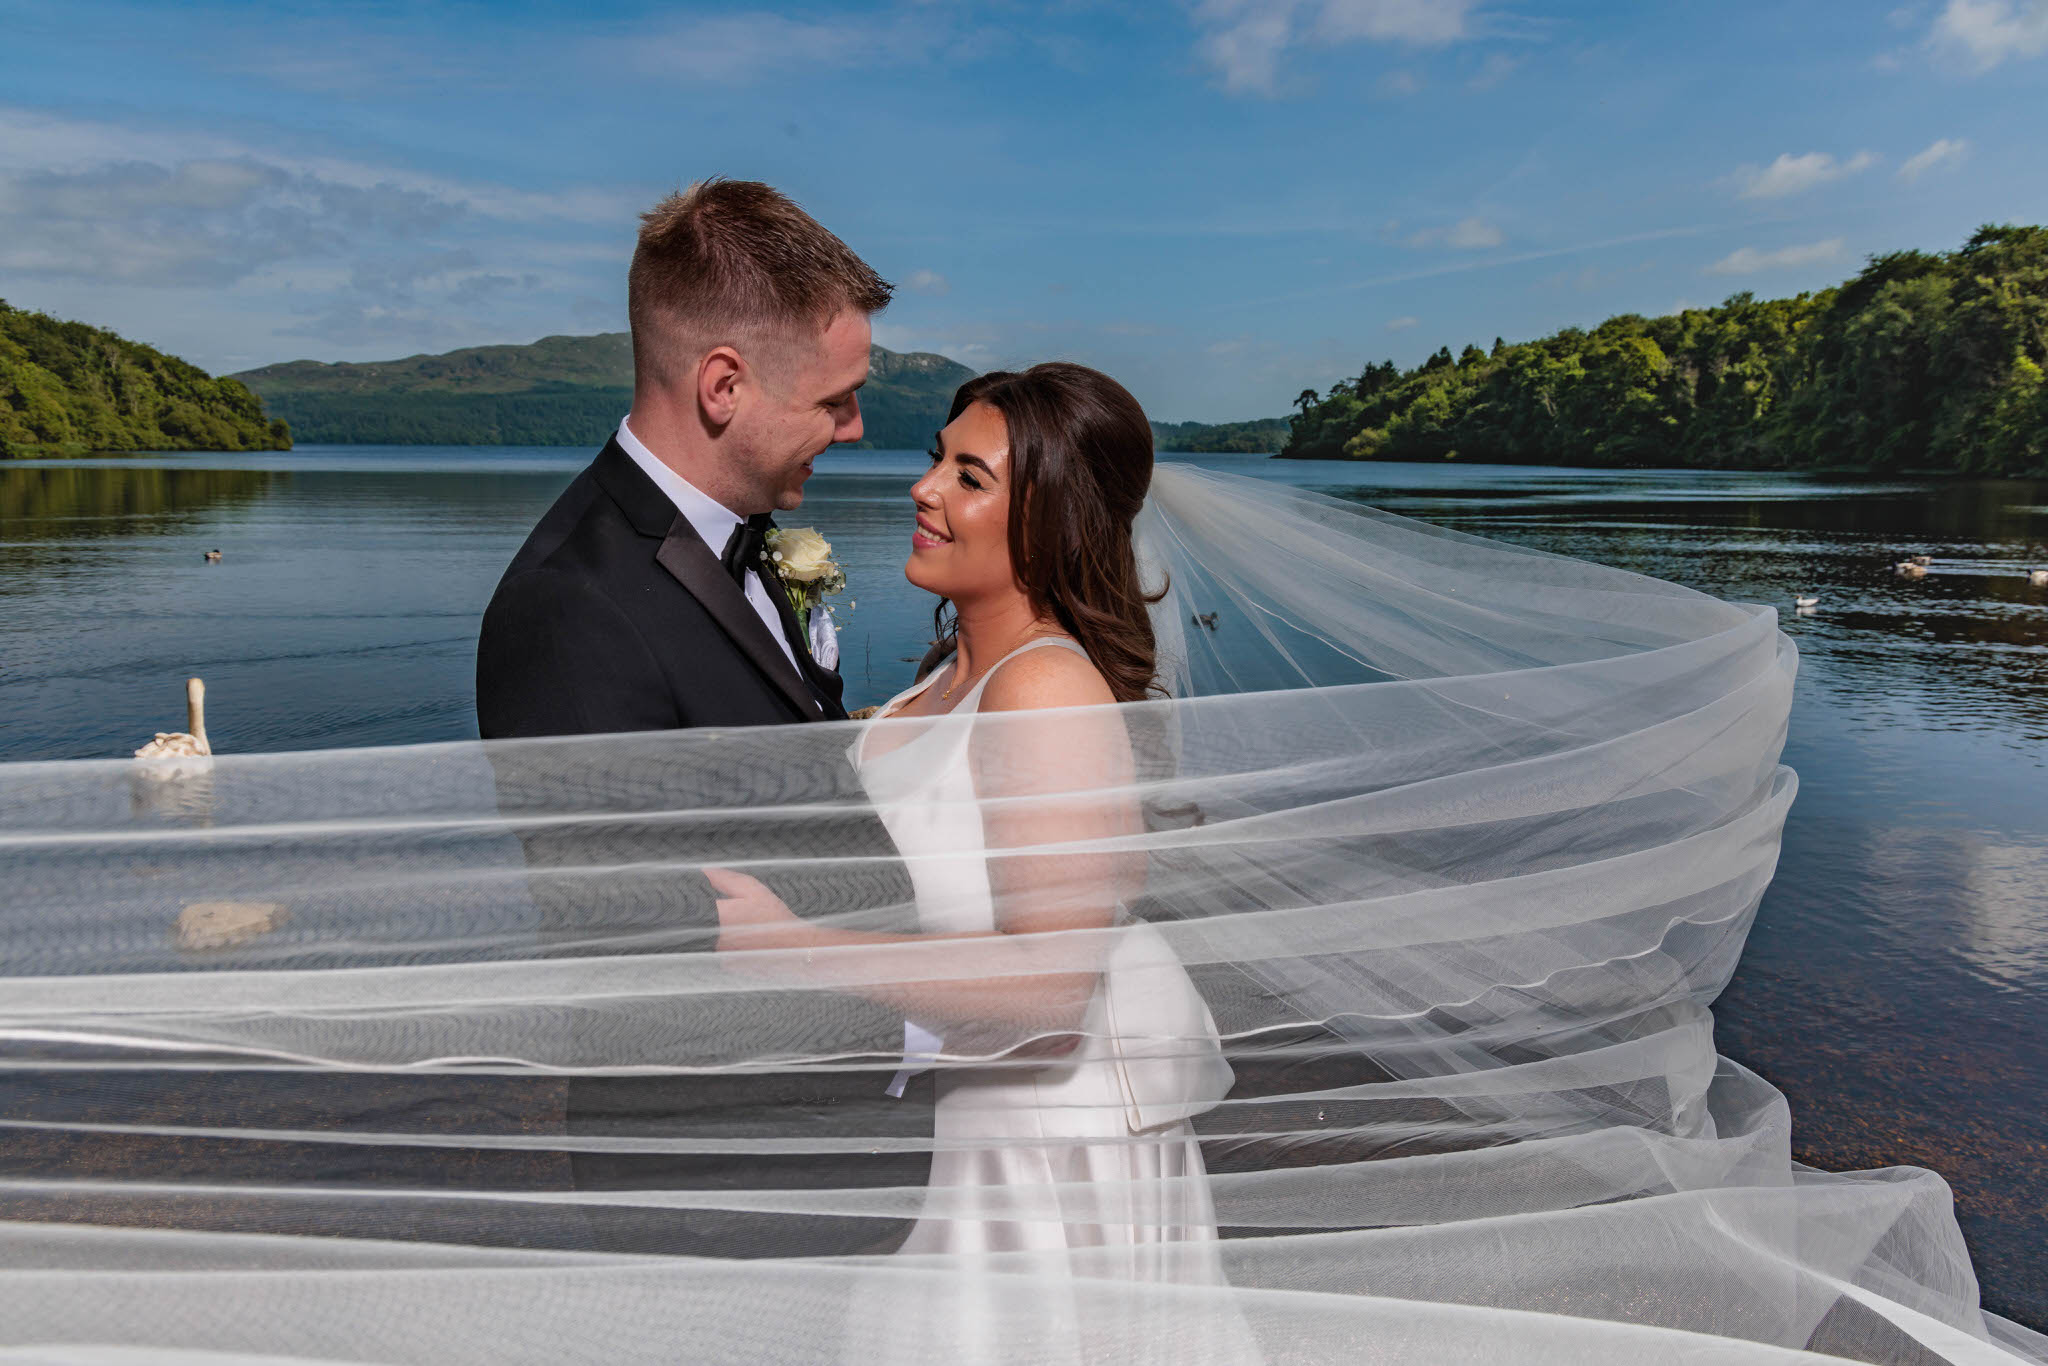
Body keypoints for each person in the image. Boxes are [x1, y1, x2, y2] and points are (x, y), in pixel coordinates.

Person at [473, 178, 932, 1256]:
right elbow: (649, 963)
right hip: (723, 1188)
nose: (857, 429)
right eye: (834, 400)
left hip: (833, 1166)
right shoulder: (568, 609)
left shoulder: (742, 541)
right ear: (723, 384)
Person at [705, 364, 1236, 1294]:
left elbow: (1049, 993)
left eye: (970, 477)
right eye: (937, 460)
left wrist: (799, 950)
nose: (926, 487)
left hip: (1053, 1129)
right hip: (989, 1099)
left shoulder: (1041, 688)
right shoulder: (954, 668)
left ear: (1050, 519)